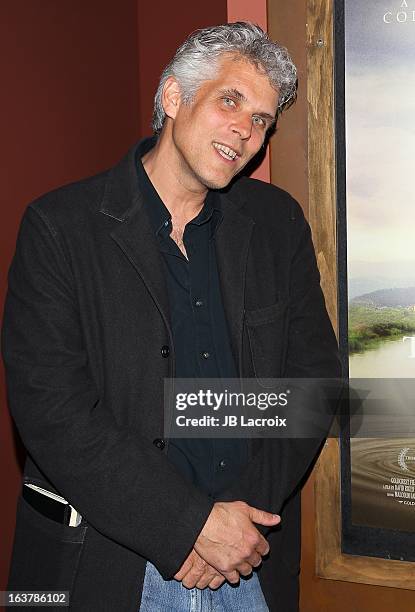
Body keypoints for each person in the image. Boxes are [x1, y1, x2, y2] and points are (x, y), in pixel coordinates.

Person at [2, 22, 341, 612]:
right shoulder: (59, 227)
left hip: (247, 561)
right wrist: (188, 525)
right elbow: (52, 412)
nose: (246, 130)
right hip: (105, 564)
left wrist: (236, 523)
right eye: (230, 100)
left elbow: (314, 382)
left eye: (262, 119)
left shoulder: (277, 223)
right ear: (173, 97)